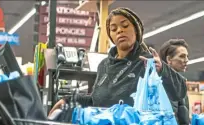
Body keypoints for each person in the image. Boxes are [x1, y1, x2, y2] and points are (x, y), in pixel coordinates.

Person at [49, 8, 187, 115]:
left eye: (125, 26)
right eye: (114, 29)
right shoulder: (104, 65)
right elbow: (98, 100)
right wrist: (67, 100)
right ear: (111, 36)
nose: (120, 31)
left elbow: (179, 91)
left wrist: (162, 69)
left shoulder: (147, 62)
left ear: (136, 31)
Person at [158, 39, 190, 125]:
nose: (186, 60)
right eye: (182, 56)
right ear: (169, 59)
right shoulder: (163, 85)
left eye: (187, 56)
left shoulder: (179, 83)